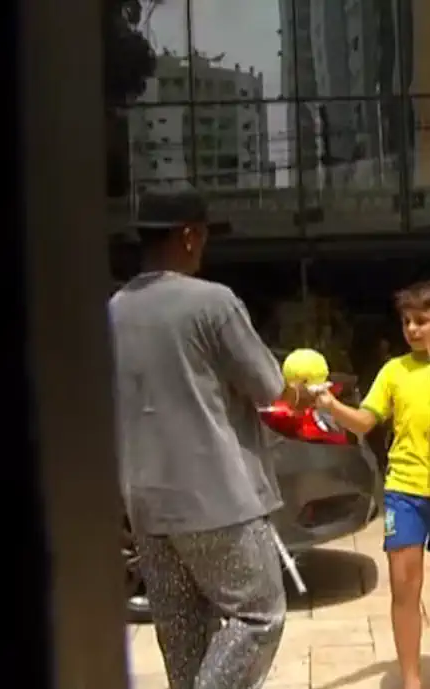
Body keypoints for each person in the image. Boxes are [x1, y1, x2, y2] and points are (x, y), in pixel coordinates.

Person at [110, 189, 303, 689]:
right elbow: (272, 388)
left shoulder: (113, 310)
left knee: (184, 637)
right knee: (260, 615)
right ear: (190, 236)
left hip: (147, 506)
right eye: (206, 236)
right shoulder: (212, 303)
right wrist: (306, 394)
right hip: (217, 498)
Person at [306, 280, 430, 689]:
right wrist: (332, 406)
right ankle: (411, 679)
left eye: (422, 321)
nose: (413, 329)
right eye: (407, 321)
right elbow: (365, 422)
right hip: (404, 490)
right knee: (405, 586)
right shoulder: (393, 371)